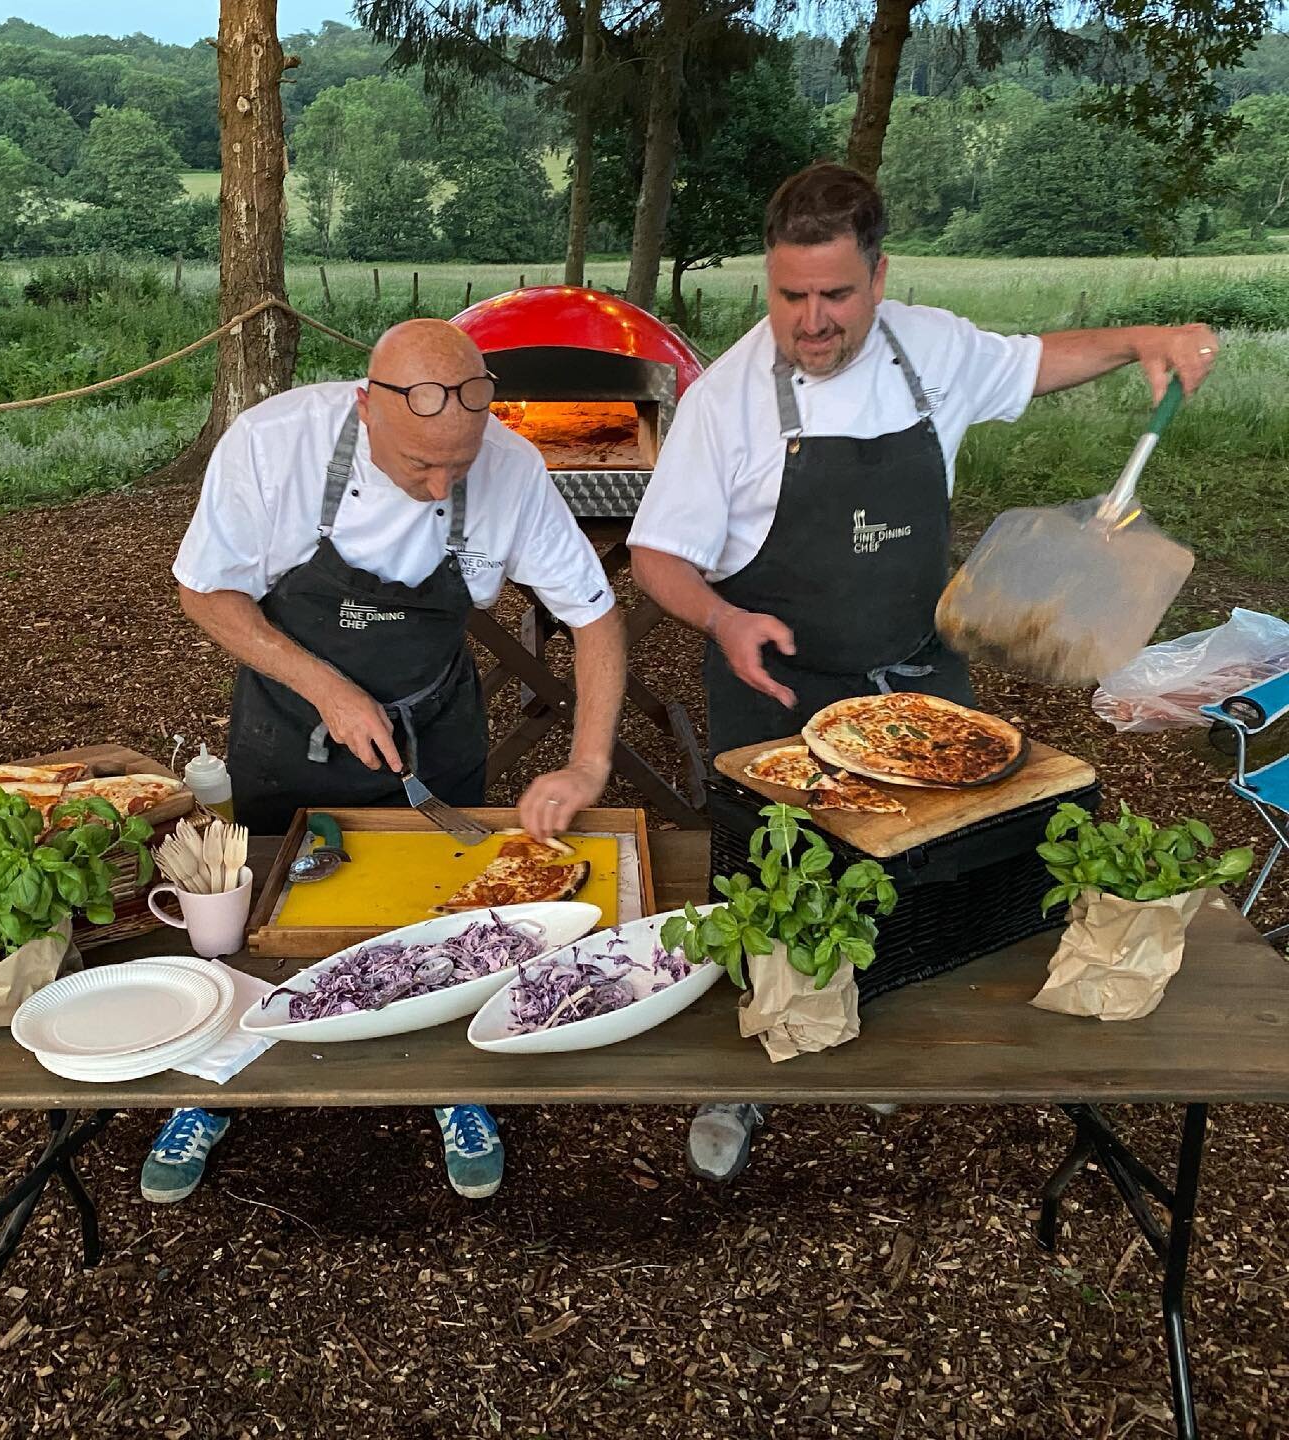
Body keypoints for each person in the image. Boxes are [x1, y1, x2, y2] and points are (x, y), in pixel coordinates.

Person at [628, 161, 1220, 1183]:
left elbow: (1036, 362)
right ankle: (744, 1080)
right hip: (780, 690)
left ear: (879, 276)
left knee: (921, 877)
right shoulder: (727, 401)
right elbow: (656, 557)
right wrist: (721, 618)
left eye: (836, 295)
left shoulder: (929, 350)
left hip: (918, 689)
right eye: (790, 295)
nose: (811, 320)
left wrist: (1140, 343)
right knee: (771, 895)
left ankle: (874, 1024)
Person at [143, 319, 626, 1205]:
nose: (442, 484)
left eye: (459, 466)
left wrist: (588, 764)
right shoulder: (274, 447)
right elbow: (202, 588)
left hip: (433, 726)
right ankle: (212, 1083)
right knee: (248, 916)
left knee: (457, 916)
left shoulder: (511, 469)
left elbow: (593, 617)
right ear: (367, 410)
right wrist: (326, 686)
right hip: (287, 725)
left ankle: (455, 1085)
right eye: (420, 467)